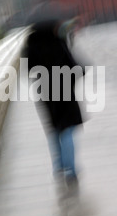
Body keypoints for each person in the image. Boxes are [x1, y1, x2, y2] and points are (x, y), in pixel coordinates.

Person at [23, 17, 84, 188]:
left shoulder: (31, 46)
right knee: (67, 130)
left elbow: (29, 69)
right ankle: (71, 170)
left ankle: (59, 166)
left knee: (54, 130)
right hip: (64, 90)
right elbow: (73, 66)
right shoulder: (58, 42)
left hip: (45, 93)